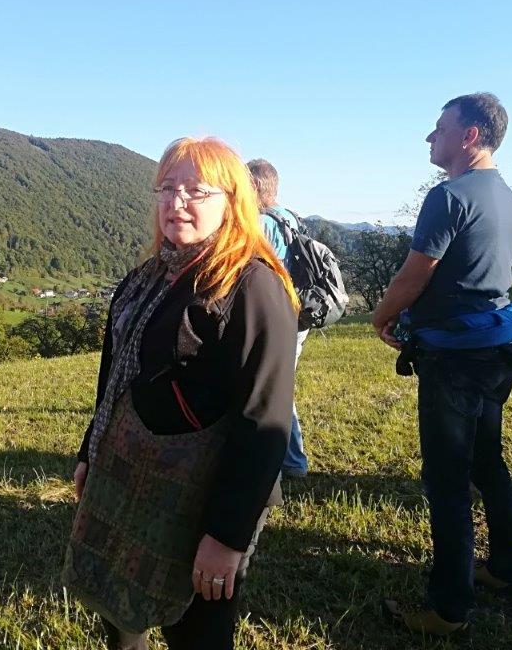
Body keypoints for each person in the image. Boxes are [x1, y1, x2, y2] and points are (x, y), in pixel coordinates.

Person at [62, 136, 299, 650]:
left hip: (203, 492)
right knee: (118, 603)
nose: (177, 202)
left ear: (232, 201)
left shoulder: (252, 287)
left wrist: (226, 537)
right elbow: (115, 374)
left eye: (196, 190)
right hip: (128, 472)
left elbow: (265, 421)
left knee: (195, 630)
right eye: (167, 188)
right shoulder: (150, 275)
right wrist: (90, 453)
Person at [372, 93, 512, 637]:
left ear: (469, 136)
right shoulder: (507, 196)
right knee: (488, 461)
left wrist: (381, 317)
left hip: (455, 358)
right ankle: (506, 568)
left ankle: (448, 610)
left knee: (447, 479)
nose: (429, 136)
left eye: (439, 127)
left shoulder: (449, 196)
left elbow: (415, 275)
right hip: (495, 348)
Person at [247, 158, 310, 477]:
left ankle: (289, 462)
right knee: (279, 385)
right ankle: (291, 461)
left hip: (275, 313)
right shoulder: (290, 217)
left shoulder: (259, 223)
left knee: (273, 389)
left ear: (254, 187)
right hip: (298, 311)